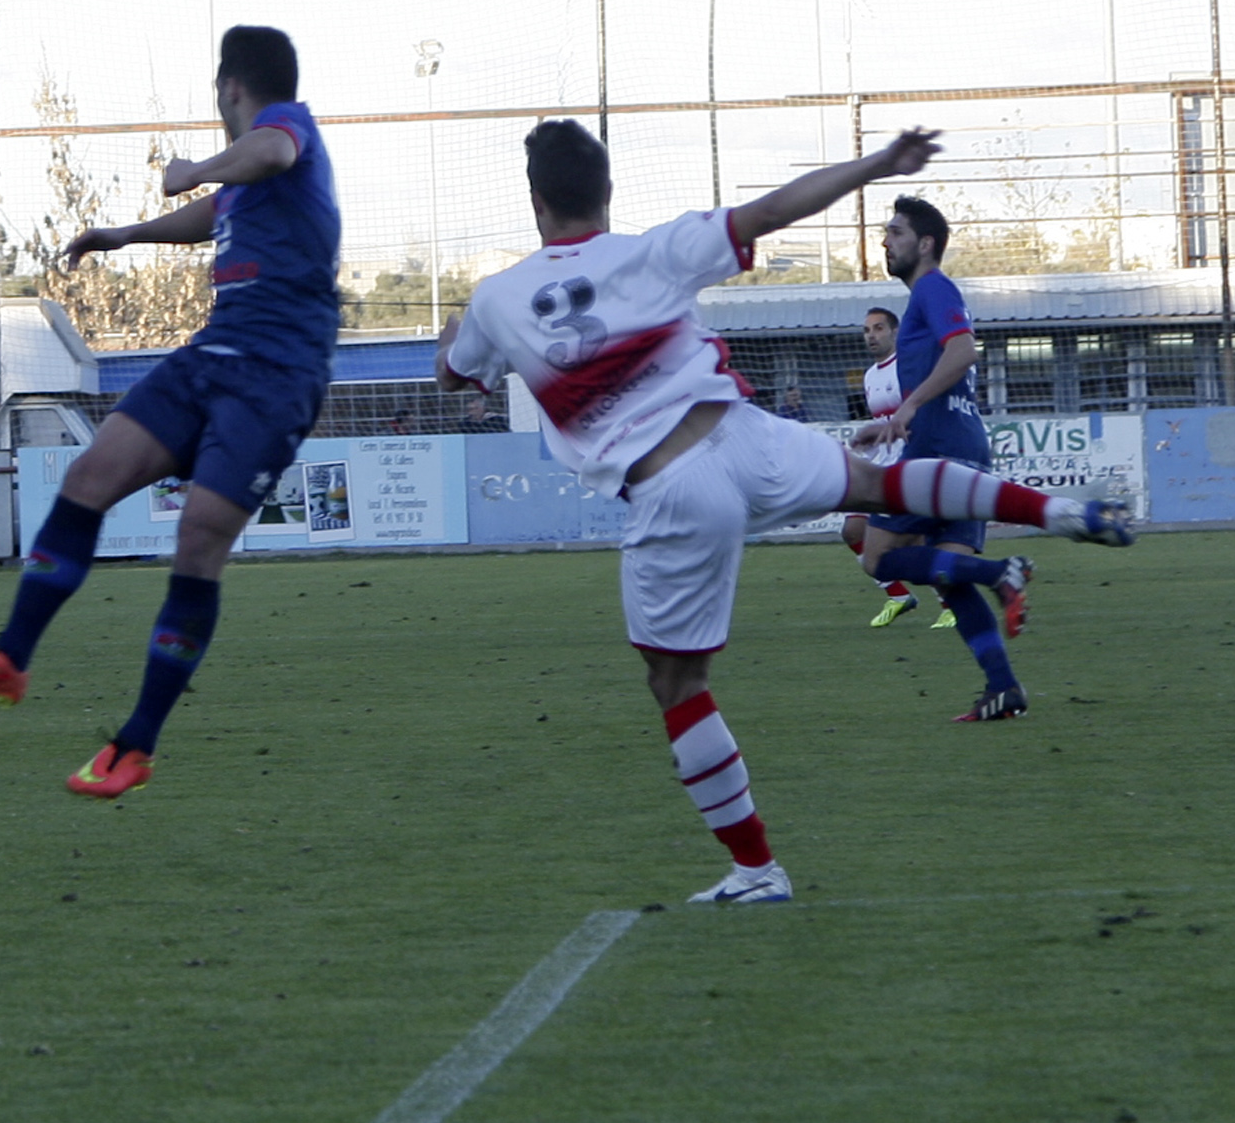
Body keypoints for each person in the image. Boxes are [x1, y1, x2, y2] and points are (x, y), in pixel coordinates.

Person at [437, 122, 1131, 904]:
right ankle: (1056, 510)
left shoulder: (496, 299)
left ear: (535, 202)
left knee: (678, 684)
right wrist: (877, 162)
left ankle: (757, 869)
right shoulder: (652, 249)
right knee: (879, 485)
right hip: (745, 434)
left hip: (671, 486)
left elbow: (453, 376)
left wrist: (455, 332)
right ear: (606, 194)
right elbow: (770, 211)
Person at [0, 24, 338, 798]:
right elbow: (215, 213)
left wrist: (191, 168)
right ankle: (10, 656)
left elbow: (267, 153)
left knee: (198, 538)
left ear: (231, 90)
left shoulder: (289, 130)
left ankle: (134, 746)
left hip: (278, 375)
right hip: (214, 354)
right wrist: (127, 235)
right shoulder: (251, 180)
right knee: (88, 476)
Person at [848, 195, 1039, 721]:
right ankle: (1004, 688)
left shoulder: (933, 287)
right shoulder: (927, 297)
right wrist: (892, 421)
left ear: (925, 243)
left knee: (877, 557)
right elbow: (947, 368)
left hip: (937, 448)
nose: (884, 241)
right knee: (950, 580)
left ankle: (1001, 571)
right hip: (959, 441)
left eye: (895, 232)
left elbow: (965, 351)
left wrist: (908, 405)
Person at [845, 306, 939, 631]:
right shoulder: (870, 376)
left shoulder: (908, 368)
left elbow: (921, 415)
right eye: (867, 330)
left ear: (894, 333)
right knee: (852, 531)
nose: (871, 335)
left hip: (906, 463)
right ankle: (898, 595)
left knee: (911, 542)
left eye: (878, 328)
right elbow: (882, 424)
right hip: (879, 464)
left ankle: (951, 598)